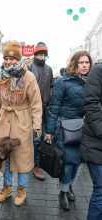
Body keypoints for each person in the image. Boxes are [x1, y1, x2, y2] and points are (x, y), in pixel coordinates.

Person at [0, 41, 42, 206]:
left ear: (17, 59)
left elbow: (36, 103)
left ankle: (21, 188)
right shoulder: (1, 75)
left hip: (22, 120)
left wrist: (37, 126)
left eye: (12, 58)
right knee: (4, 157)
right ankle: (7, 187)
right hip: (4, 120)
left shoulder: (28, 76)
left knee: (22, 156)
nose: (9, 61)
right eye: (6, 58)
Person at [45, 50, 93, 210]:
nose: (85, 65)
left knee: (77, 162)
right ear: (75, 64)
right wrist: (50, 131)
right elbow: (54, 106)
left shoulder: (92, 82)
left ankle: (69, 186)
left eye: (87, 62)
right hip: (65, 128)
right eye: (81, 62)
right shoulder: (63, 82)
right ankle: (63, 192)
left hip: (85, 129)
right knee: (68, 162)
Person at [27, 42, 53, 181]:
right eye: (39, 54)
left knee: (42, 138)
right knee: (33, 138)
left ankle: (37, 164)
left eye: (44, 54)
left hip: (46, 109)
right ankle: (33, 164)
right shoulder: (29, 67)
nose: (42, 56)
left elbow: (51, 86)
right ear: (35, 54)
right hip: (32, 109)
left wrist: (50, 98)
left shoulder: (49, 69)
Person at [80, 62, 102, 220]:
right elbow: (91, 104)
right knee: (101, 191)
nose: (84, 65)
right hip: (96, 142)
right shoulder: (98, 71)